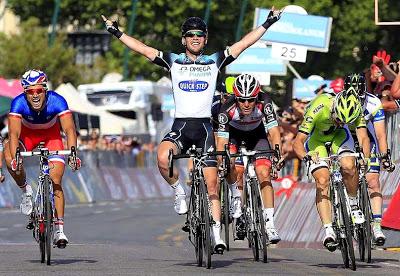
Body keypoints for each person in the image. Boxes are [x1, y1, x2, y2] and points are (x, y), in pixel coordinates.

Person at [102, 7, 282, 253]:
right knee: (163, 158)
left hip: (207, 127)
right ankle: (179, 192)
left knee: (211, 185)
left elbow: (243, 44)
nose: (195, 38)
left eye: (199, 35)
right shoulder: (173, 60)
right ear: (183, 39)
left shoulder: (214, 61)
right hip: (181, 126)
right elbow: (142, 48)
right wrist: (116, 32)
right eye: (190, 35)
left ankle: (217, 235)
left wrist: (268, 22)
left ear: (205, 39)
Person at [3, 69, 81, 248]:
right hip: (27, 137)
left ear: (45, 90)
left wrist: (73, 153)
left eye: (39, 90)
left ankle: (60, 230)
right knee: (9, 156)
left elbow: (69, 129)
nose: (35, 95)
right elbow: (14, 133)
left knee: (56, 180)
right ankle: (26, 192)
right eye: (30, 91)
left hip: (51, 137)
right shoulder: (18, 103)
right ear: (25, 93)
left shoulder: (57, 100)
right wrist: (16, 157)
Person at [292, 89, 370, 251]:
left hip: (340, 137)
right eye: (338, 120)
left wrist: (365, 157)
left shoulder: (354, 108)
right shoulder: (318, 108)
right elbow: (297, 142)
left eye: (344, 122)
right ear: (333, 110)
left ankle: (354, 204)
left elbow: (363, 137)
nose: (339, 124)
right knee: (322, 180)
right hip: (316, 140)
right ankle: (328, 230)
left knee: (349, 166)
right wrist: (306, 156)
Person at [216, 73, 284, 244]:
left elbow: (274, 132)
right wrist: (223, 161)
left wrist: (277, 154)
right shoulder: (226, 109)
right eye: (242, 100)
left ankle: (270, 224)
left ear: (257, 96)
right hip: (234, 137)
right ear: (235, 97)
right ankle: (237, 198)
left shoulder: (265, 102)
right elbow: (221, 141)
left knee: (263, 173)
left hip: (257, 135)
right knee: (235, 168)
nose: (246, 104)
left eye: (251, 100)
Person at [345, 73, 395, 246]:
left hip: (366, 138)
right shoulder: (337, 100)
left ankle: (376, 226)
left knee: (373, 181)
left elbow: (380, 134)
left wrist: (385, 156)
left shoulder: (374, 102)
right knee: (345, 171)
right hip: (344, 138)